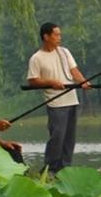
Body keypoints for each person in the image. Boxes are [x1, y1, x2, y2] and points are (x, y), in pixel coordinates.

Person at [27, 22, 91, 174]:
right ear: (46, 36)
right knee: (57, 137)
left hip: (72, 100)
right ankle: (50, 169)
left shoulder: (64, 52)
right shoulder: (37, 58)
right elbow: (33, 80)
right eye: (56, 35)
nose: (59, 38)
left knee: (69, 139)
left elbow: (74, 71)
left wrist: (83, 82)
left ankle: (65, 169)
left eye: (60, 35)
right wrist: (51, 82)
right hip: (55, 103)